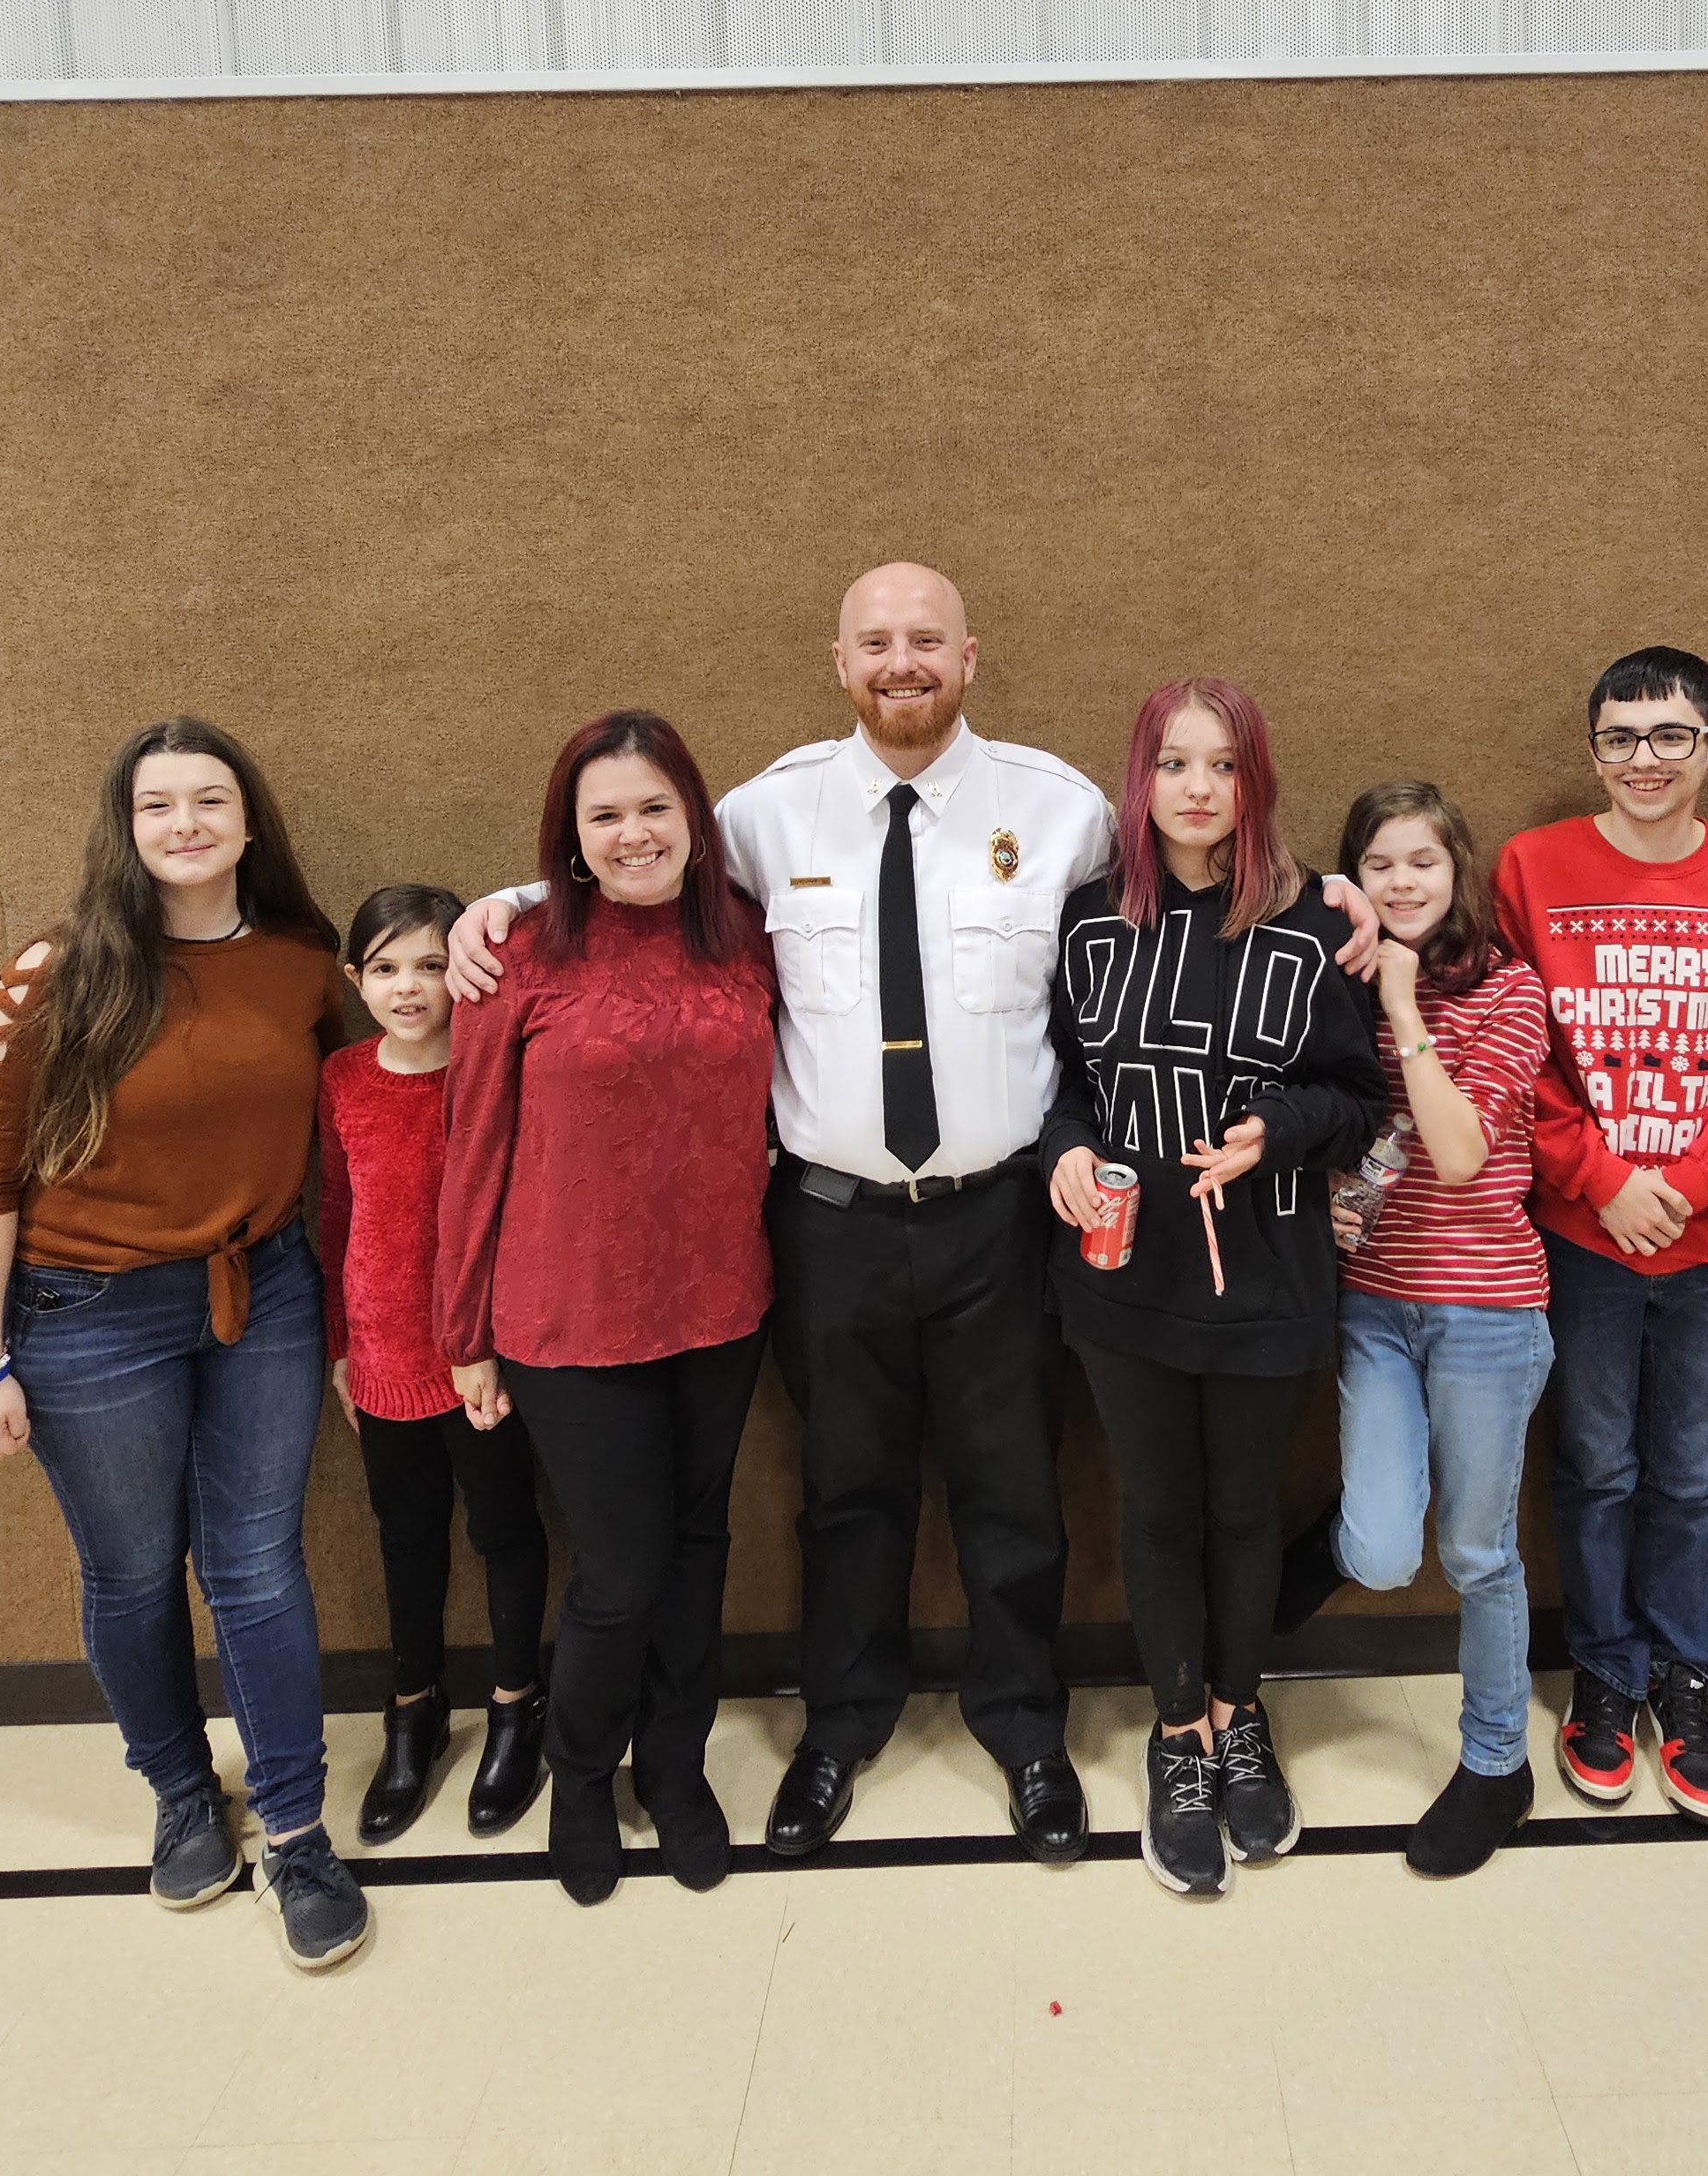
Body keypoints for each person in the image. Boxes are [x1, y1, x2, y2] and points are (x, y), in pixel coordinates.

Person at [446, 563, 1380, 1868]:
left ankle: (1026, 1729)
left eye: (927, 639)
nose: (903, 662)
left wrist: (1331, 892)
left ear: (969, 656)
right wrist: (507, 907)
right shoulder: (766, 813)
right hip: (827, 1221)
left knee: (1014, 1490)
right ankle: (840, 1729)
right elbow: (634, 868)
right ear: (839, 663)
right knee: (848, 1493)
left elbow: (1192, 871)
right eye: (876, 641)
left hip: (1004, 1216)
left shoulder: (1057, 811)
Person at [0, 717, 371, 1973]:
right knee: (132, 1573)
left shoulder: (300, 963)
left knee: (256, 1564)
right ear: (124, 829)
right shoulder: (55, 976)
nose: (186, 823)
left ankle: (295, 1830)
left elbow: (383, 1094)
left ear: (248, 820)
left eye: (210, 799)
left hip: (263, 1295)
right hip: (87, 1317)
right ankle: (183, 1794)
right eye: (158, 804)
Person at [1042, 677, 1387, 1899]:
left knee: (1243, 1510)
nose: (1198, 789)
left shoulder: (1315, 925)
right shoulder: (1090, 921)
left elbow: (1358, 1099)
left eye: (1224, 765)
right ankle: (1177, 1730)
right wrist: (1064, 1151)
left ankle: (1240, 1716)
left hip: (1268, 1269)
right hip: (1124, 1272)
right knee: (1156, 1510)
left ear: (1256, 783)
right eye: (1175, 764)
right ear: (1139, 780)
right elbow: (1064, 1082)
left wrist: (1274, 1133)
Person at [429, 712, 780, 1908]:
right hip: (567, 1315)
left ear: (696, 818)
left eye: (655, 808)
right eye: (605, 815)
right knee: (621, 1570)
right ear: (570, 836)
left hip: (721, 1301)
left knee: (697, 1550)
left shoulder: (747, 938)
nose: (634, 834)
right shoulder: (516, 955)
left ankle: (672, 1767)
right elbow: (473, 1148)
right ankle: (581, 1776)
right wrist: (463, 1334)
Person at [1494, 649, 1708, 1826]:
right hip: (1582, 1237)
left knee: (1689, 1477)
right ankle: (1605, 1670)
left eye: (1671, 735)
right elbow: (1514, 1051)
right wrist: (1600, 1178)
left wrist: (1683, 1187)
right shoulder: (1532, 868)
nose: (1645, 759)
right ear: (1593, 751)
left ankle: (1687, 1676)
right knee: (1595, 1468)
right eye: (1621, 738)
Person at [1273, 780, 1555, 1877]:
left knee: (1478, 1552)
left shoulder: (1510, 992)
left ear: (1458, 870)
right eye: (1378, 865)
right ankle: (1328, 1546)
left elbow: (1460, 1154)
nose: (1402, 883)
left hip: (1487, 1310)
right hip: (1372, 1304)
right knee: (1385, 1552)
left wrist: (1402, 1009)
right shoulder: (1333, 974)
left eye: (1422, 863)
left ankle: (1495, 1762)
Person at [314, 883, 548, 1847]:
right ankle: (413, 1710)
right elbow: (335, 1216)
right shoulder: (341, 1079)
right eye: (384, 968)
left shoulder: (494, 1072)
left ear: (463, 971)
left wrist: (493, 1347)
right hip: (381, 1357)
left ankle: (516, 1705)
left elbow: (523, 1220)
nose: (407, 987)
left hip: (482, 1362)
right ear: (355, 979)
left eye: (428, 965)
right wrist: (341, 1346)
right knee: (405, 1536)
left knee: (502, 1528)